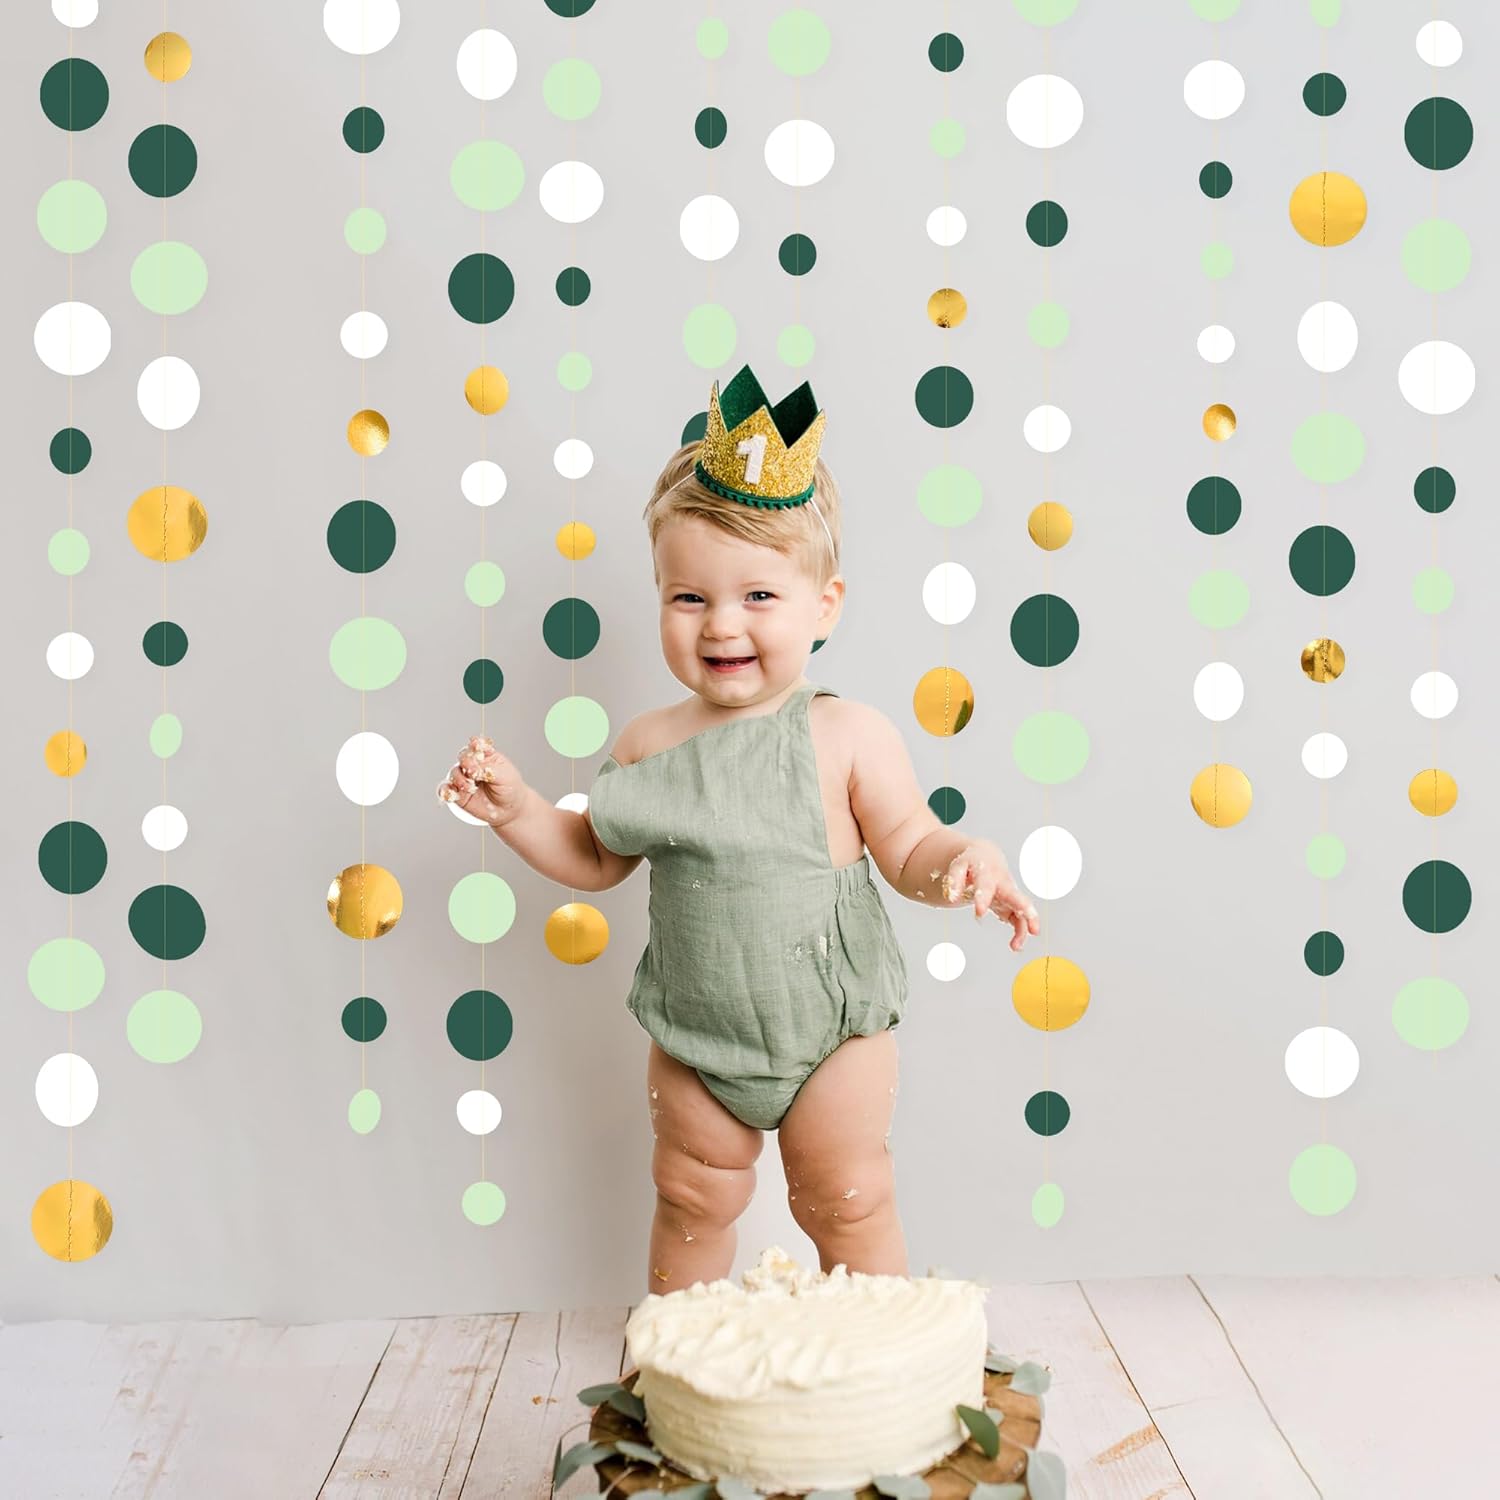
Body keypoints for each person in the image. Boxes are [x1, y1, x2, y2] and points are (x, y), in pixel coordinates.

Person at [438, 364, 1040, 1296]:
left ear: (823, 606)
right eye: (690, 598)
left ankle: (878, 1348)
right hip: (695, 1036)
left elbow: (911, 847)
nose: (722, 624)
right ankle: (672, 1355)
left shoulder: (847, 734)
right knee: (690, 1195)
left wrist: (969, 860)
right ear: (661, 598)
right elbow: (594, 856)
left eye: (759, 597)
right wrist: (519, 811)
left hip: (831, 1033)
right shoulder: (648, 744)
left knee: (845, 1197)